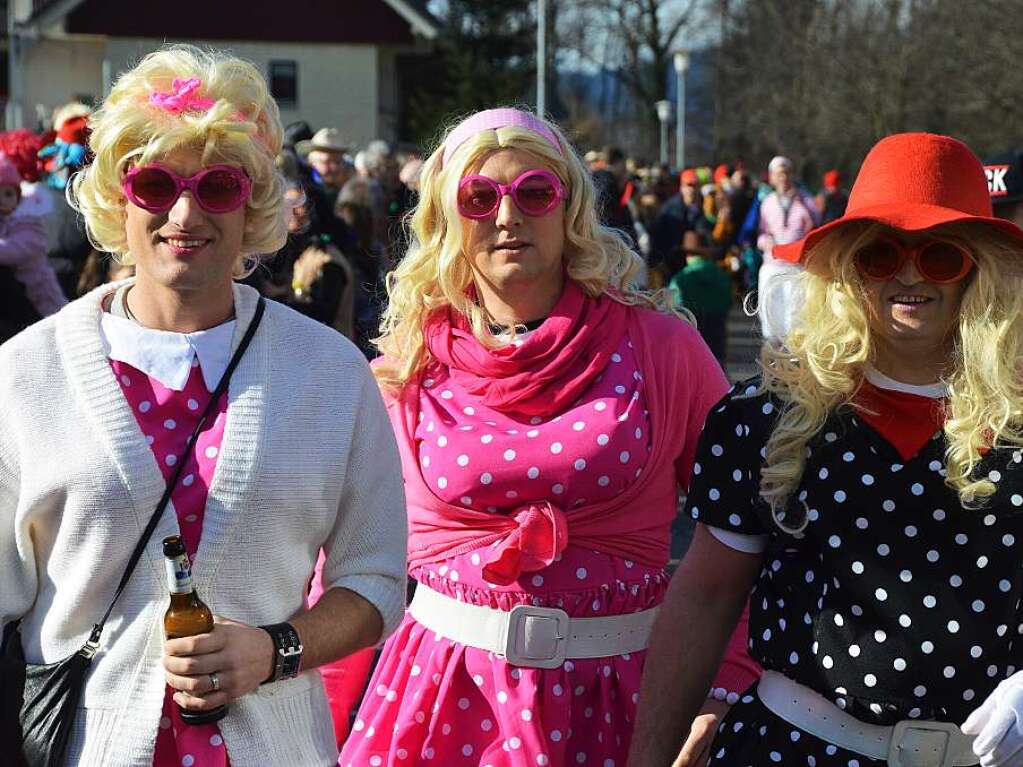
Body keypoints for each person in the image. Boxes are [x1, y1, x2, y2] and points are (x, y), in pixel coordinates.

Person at [0, 46, 407, 766]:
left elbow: (374, 579)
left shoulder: (330, 373)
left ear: (252, 203)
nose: (184, 212)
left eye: (217, 185)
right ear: (116, 196)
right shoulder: (25, 373)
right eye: (155, 183)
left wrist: (274, 649)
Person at [338, 107, 759, 767]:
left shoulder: (660, 347)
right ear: (448, 218)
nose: (507, 216)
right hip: (439, 702)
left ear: (568, 208)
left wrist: (725, 685)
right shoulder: (402, 367)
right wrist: (309, 722)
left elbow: (748, 533)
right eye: (480, 197)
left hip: (624, 699)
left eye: (532, 192)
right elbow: (347, 565)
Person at [628, 132, 1023, 767]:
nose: (910, 274)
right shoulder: (767, 416)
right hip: (796, 751)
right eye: (881, 255)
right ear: (845, 266)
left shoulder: (1017, 418)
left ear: (980, 268)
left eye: (942, 255)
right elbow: (703, 597)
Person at [0, 152, 67, 342]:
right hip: (18, 302)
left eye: (8, 194)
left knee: (51, 336)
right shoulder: (5, 221)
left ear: (18, 196)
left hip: (39, 295)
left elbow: (15, 250)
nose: (2, 200)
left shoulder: (28, 221)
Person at [756, 155, 820, 341]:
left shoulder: (805, 199)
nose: (782, 178)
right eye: (778, 174)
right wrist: (765, 242)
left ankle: (793, 360)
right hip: (772, 264)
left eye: (785, 173)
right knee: (770, 312)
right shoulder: (767, 201)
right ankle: (771, 356)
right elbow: (760, 231)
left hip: (795, 265)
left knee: (795, 314)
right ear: (772, 177)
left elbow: (816, 224)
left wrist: (803, 203)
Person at [668, 222, 732, 366]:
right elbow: (728, 302)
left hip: (691, 341)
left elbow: (673, 309)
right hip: (717, 338)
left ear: (688, 255)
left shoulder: (680, 280)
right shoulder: (722, 276)